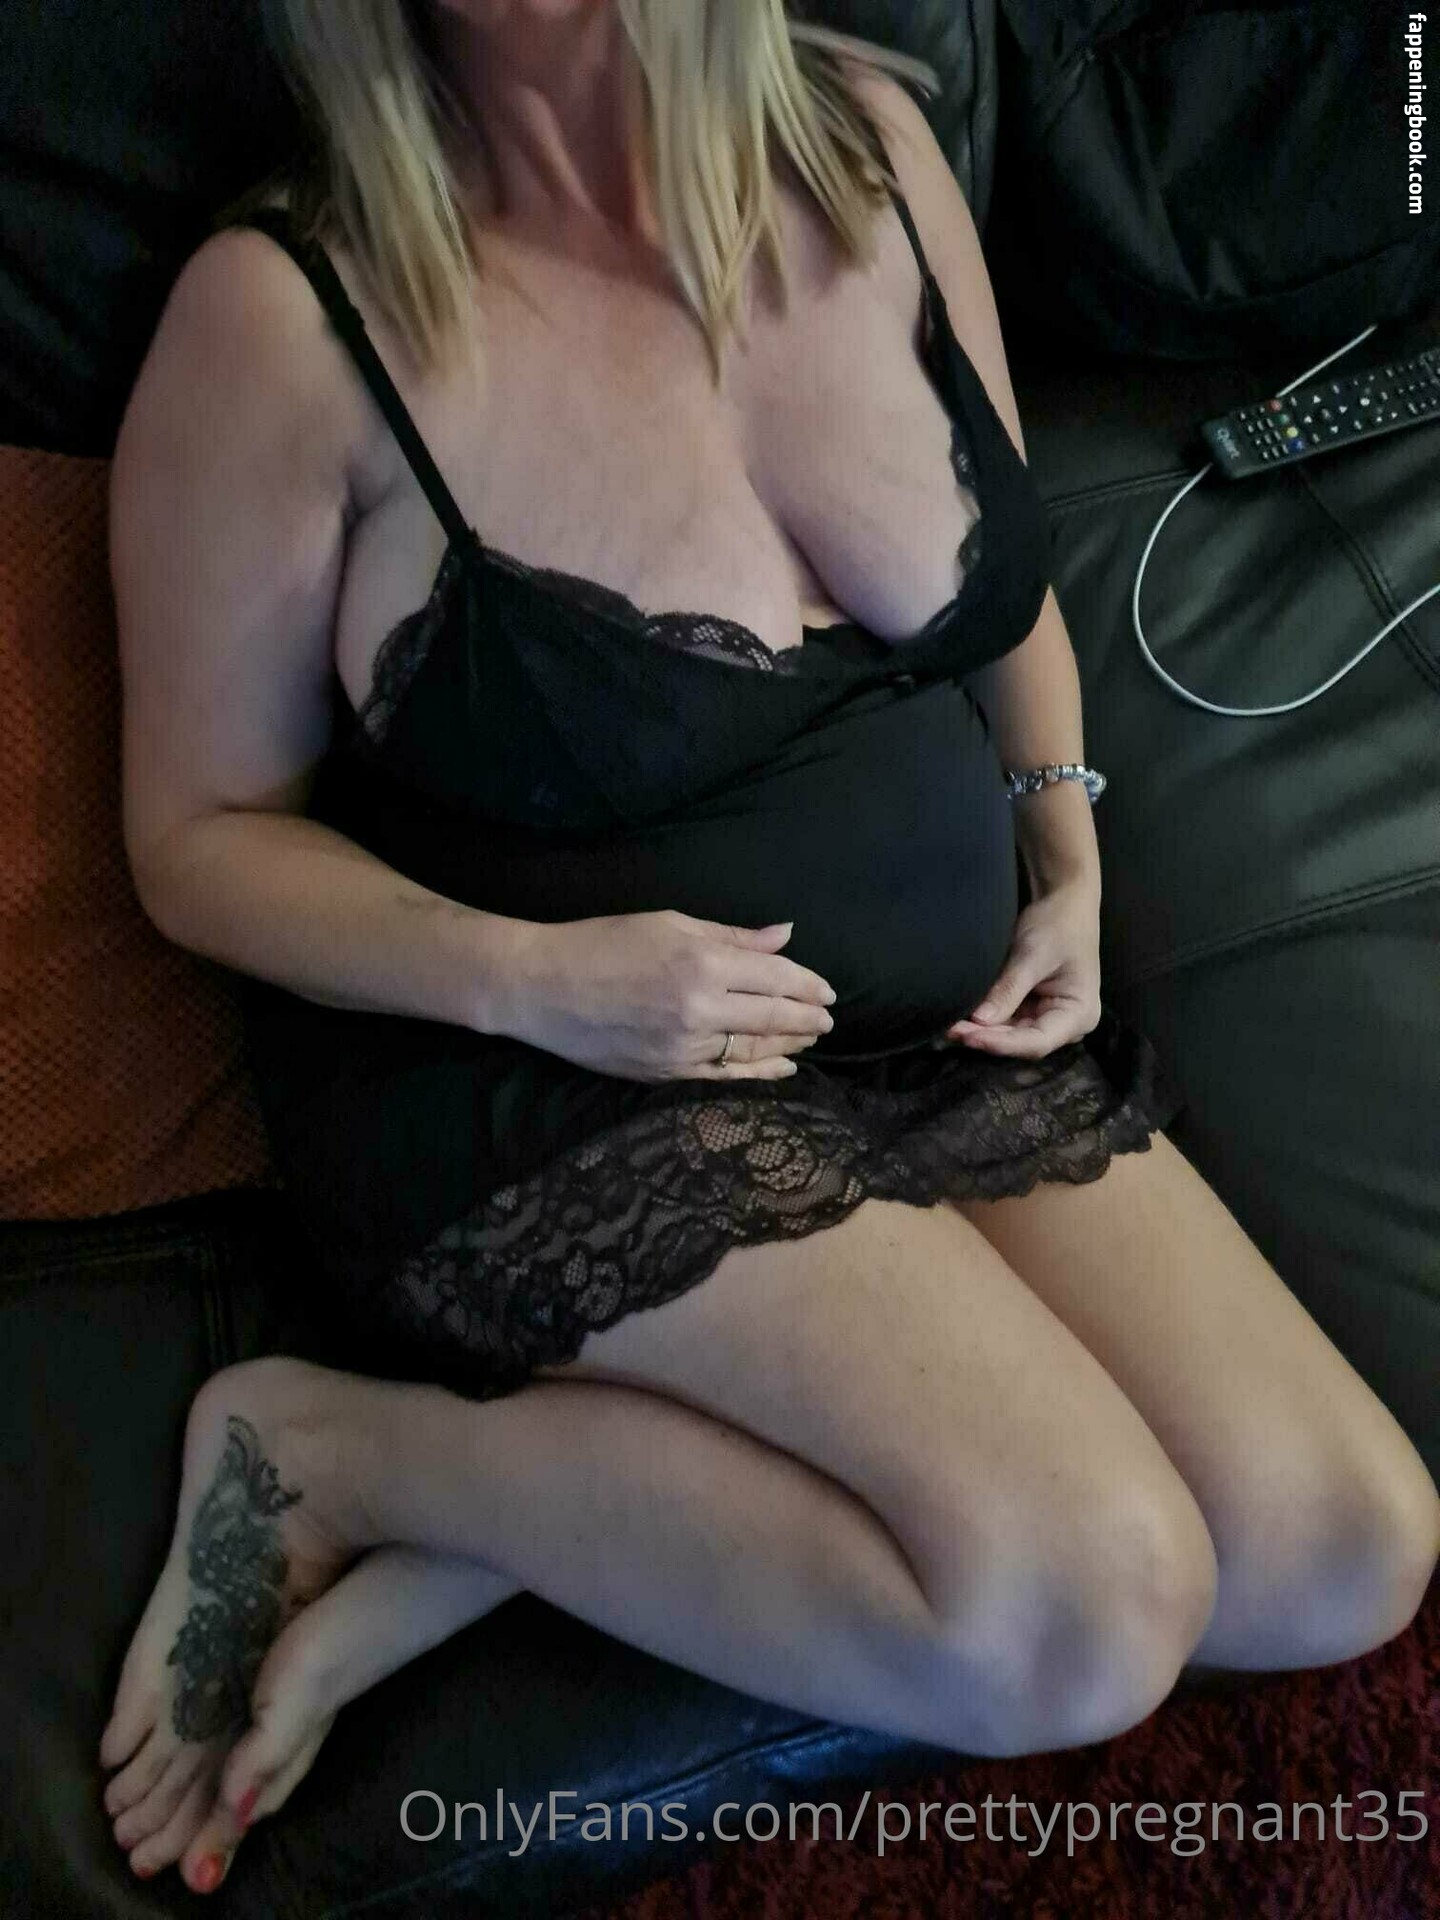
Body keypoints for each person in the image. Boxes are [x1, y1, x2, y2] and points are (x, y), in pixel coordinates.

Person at [99, 0, 1439, 1897]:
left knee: (1343, 1546)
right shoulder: (287, 322)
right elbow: (195, 845)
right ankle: (351, 1459)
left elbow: (1006, 594)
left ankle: (524, 1526)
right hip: (555, 1072)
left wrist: (1064, 851)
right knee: (1082, 1599)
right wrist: (538, 978)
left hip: (928, 1045)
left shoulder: (871, 147)